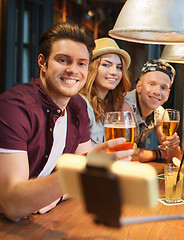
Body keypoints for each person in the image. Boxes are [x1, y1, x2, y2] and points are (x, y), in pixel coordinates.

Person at [0, 22, 132, 221]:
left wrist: (57, 194)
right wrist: (83, 171)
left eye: (81, 63)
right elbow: (12, 203)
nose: (73, 70)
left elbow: (88, 180)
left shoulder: (77, 105)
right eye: (63, 60)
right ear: (42, 63)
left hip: (37, 220)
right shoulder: (14, 107)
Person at [124, 60, 181, 162]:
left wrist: (174, 145)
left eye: (163, 87)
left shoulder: (160, 113)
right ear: (139, 86)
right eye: (151, 84)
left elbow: (175, 159)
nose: (157, 92)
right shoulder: (125, 106)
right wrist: (157, 153)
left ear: (167, 94)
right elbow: (125, 155)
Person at [80, 37, 132, 147]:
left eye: (119, 67)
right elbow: (84, 158)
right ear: (91, 68)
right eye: (106, 65)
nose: (114, 72)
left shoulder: (107, 105)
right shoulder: (82, 104)